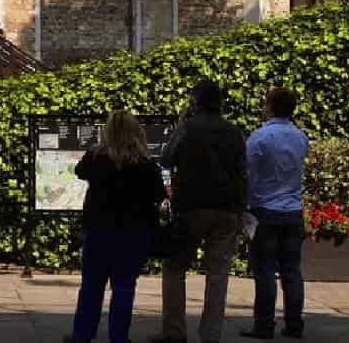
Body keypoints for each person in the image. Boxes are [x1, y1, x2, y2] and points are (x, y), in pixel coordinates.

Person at [153, 79, 247, 343]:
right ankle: (211, 334)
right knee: (218, 274)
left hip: (191, 207)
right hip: (227, 209)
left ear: (195, 102)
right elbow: (242, 173)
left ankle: (174, 330)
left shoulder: (187, 128)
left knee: (174, 266)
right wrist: (241, 210)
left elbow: (166, 159)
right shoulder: (234, 132)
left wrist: (181, 123)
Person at [65, 110, 167, 343]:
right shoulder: (145, 164)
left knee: (91, 284)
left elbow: (79, 171)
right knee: (124, 286)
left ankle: (82, 334)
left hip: (98, 229)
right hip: (133, 232)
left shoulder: (96, 158)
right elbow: (158, 195)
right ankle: (119, 337)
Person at [241, 87, 310, 340]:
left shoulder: (260, 137)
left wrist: (244, 206)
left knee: (265, 270)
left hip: (265, 210)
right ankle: (294, 325)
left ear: (269, 105)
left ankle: (264, 325)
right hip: (293, 210)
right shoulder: (300, 137)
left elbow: (247, 173)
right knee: (292, 270)